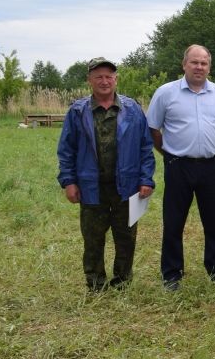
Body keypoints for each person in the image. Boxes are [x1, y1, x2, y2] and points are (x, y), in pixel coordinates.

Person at [57, 58, 156, 291]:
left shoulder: (132, 109)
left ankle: (123, 280)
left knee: (126, 237)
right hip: (91, 186)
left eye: (109, 76)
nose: (104, 81)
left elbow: (145, 147)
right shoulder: (77, 111)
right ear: (89, 80)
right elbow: (66, 149)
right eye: (98, 76)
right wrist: (69, 181)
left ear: (116, 79)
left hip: (128, 185)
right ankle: (96, 283)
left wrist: (146, 179)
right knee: (92, 238)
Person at [147, 44, 215, 290]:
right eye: (194, 62)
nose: (199, 67)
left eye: (204, 63)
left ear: (209, 67)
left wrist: (210, 146)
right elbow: (153, 128)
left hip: (211, 167)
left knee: (214, 223)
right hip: (178, 166)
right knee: (174, 222)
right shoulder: (166, 93)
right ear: (184, 64)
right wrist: (166, 153)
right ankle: (172, 274)